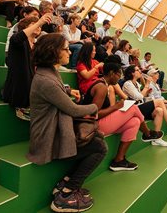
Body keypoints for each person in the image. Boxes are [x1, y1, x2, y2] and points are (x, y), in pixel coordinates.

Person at [27, 33, 107, 212]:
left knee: (98, 140)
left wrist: (68, 90)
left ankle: (66, 183)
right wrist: (94, 107)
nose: (70, 53)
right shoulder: (47, 79)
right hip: (47, 138)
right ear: (53, 52)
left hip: (54, 129)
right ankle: (65, 196)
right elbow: (73, 110)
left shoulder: (47, 72)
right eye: (66, 49)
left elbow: (55, 91)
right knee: (100, 148)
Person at [81, 58, 163, 171]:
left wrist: (116, 108)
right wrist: (116, 107)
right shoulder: (101, 87)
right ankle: (147, 133)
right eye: (118, 74)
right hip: (95, 126)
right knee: (133, 108)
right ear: (111, 73)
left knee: (135, 122)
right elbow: (94, 115)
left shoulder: (105, 85)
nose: (119, 77)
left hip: (101, 123)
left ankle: (118, 160)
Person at [3, 13, 52, 120]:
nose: (39, 26)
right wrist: (39, 21)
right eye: (34, 24)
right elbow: (17, 38)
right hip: (17, 89)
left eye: (39, 25)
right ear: (25, 27)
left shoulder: (36, 46)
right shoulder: (18, 41)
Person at [122, 65, 167, 146]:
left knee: (159, 111)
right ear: (132, 73)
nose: (140, 71)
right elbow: (138, 97)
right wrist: (147, 84)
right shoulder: (127, 84)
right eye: (137, 70)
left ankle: (156, 139)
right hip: (134, 110)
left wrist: (146, 91)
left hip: (141, 107)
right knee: (159, 102)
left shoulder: (136, 84)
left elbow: (142, 97)